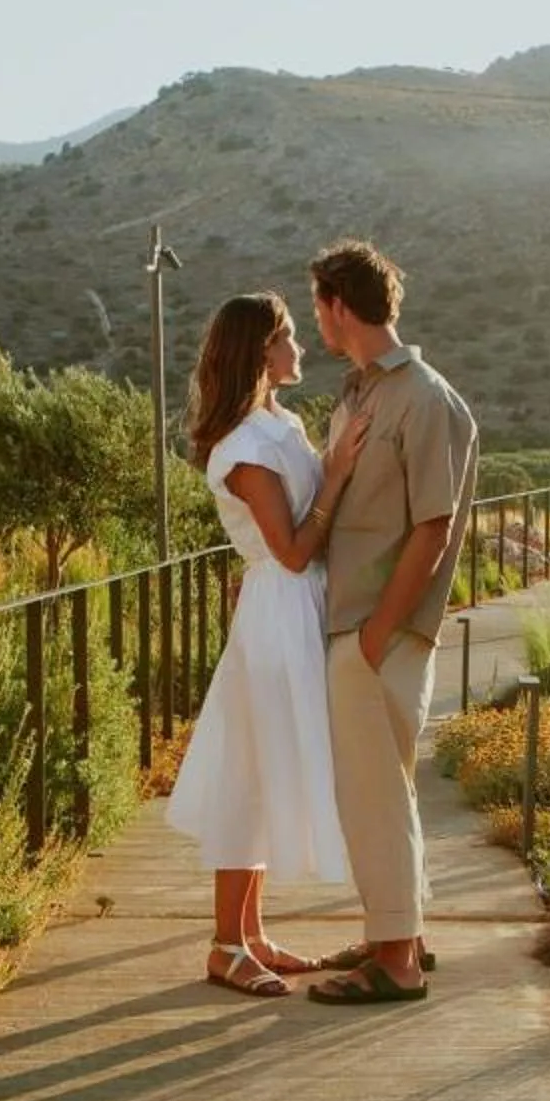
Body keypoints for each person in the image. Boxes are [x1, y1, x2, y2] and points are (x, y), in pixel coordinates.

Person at [164, 292, 372, 997]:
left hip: (296, 607)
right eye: (288, 338)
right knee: (249, 777)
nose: (300, 349)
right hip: (279, 611)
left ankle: (250, 934)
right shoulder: (244, 448)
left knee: (267, 767)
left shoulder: (278, 424)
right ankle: (225, 944)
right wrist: (338, 477)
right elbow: (287, 551)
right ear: (261, 352)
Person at [302, 239, 476, 1005]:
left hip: (381, 631)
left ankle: (398, 961)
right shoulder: (360, 394)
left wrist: (379, 634)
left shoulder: (423, 398)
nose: (317, 321)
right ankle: (394, 933)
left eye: (318, 306)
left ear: (340, 306)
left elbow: (432, 528)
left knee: (374, 790)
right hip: (357, 625)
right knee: (380, 789)